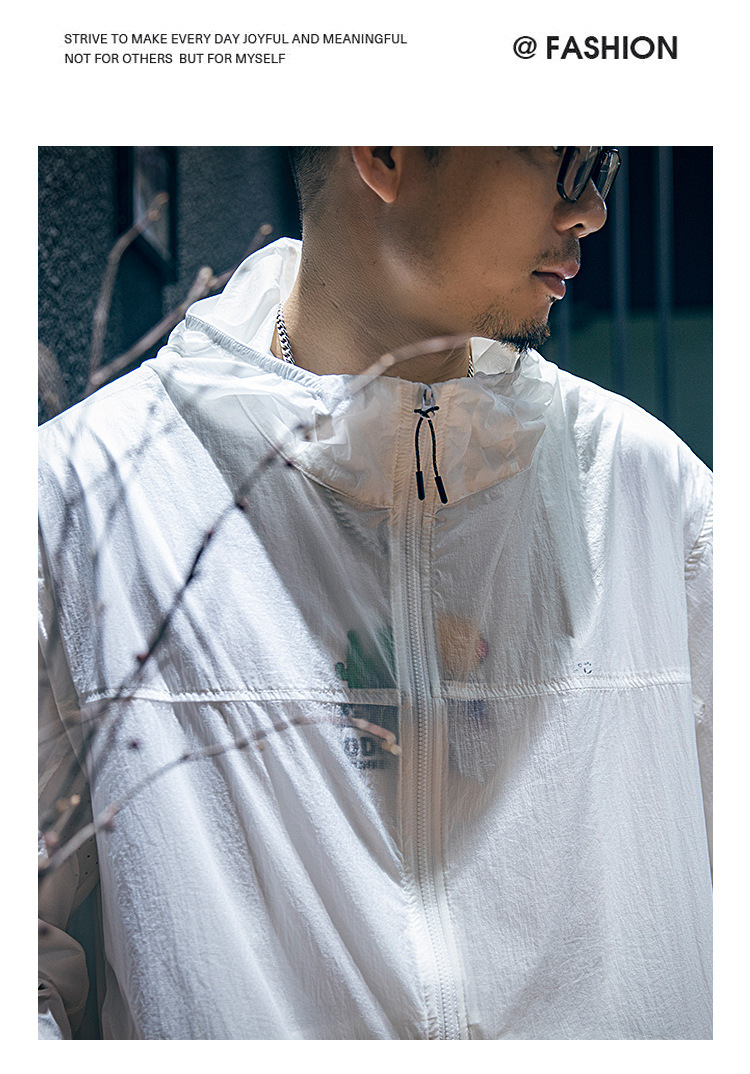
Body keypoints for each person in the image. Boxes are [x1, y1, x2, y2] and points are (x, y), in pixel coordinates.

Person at [38, 147, 712, 1040]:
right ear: (387, 151)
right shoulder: (83, 496)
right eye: (568, 158)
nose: (592, 210)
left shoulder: (655, 498)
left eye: (609, 167)